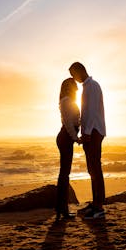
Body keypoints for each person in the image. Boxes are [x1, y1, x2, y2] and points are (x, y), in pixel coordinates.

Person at [69, 62, 106, 220]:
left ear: (80, 71)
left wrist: (87, 133)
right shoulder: (88, 86)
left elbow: (90, 111)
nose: (73, 78)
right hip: (92, 131)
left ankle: (99, 207)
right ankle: (95, 203)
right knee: (92, 169)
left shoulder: (91, 86)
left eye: (73, 74)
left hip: (94, 132)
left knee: (95, 168)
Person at [55, 78, 81, 220]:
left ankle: (60, 208)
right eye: (74, 85)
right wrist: (75, 138)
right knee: (64, 174)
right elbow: (67, 123)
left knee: (64, 174)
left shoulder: (69, 101)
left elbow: (76, 121)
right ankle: (62, 209)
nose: (77, 87)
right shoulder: (66, 101)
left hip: (67, 138)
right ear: (69, 87)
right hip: (65, 138)